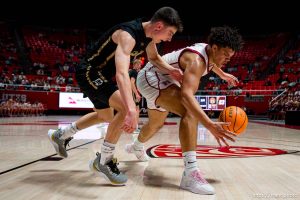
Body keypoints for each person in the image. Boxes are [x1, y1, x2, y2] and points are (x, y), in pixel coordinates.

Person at [47, 6, 183, 186]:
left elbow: (155, 58)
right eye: (170, 32)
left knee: (106, 116)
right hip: (89, 71)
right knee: (124, 108)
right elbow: (121, 74)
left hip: (101, 75)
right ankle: (104, 161)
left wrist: (171, 70)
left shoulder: (148, 37)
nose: (170, 38)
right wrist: (131, 110)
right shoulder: (128, 35)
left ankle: (61, 134)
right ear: (159, 26)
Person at [125, 26, 243, 194]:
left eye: (230, 56)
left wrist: (222, 74)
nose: (228, 59)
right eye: (226, 55)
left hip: (164, 78)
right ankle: (190, 173)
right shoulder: (196, 61)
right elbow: (187, 96)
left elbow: (212, 64)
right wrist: (209, 124)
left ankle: (136, 145)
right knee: (190, 111)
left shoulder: (208, 51)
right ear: (215, 48)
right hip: (151, 77)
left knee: (155, 124)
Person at [129, 58, 143, 134]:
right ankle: (135, 127)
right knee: (137, 109)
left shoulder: (130, 71)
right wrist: (136, 94)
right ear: (136, 65)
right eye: (139, 64)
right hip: (131, 92)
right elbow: (132, 83)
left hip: (126, 92)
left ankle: (131, 125)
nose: (140, 66)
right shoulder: (134, 72)